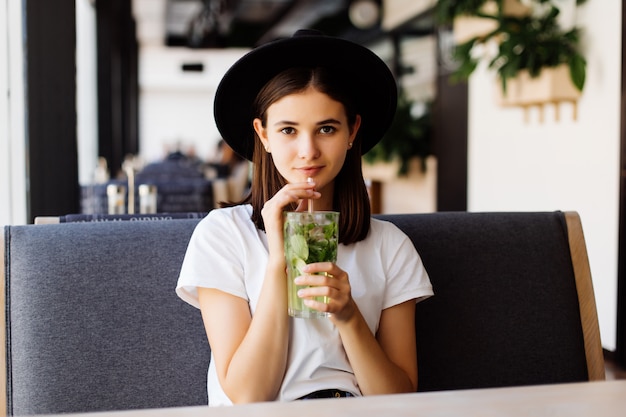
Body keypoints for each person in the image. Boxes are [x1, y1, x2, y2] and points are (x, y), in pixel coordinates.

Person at [176, 29, 433, 406]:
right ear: (263, 135)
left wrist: (348, 316)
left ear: (352, 132)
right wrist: (279, 261)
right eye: (288, 130)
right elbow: (249, 396)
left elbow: (399, 399)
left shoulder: (389, 245)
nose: (308, 151)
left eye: (326, 128)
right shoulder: (223, 235)